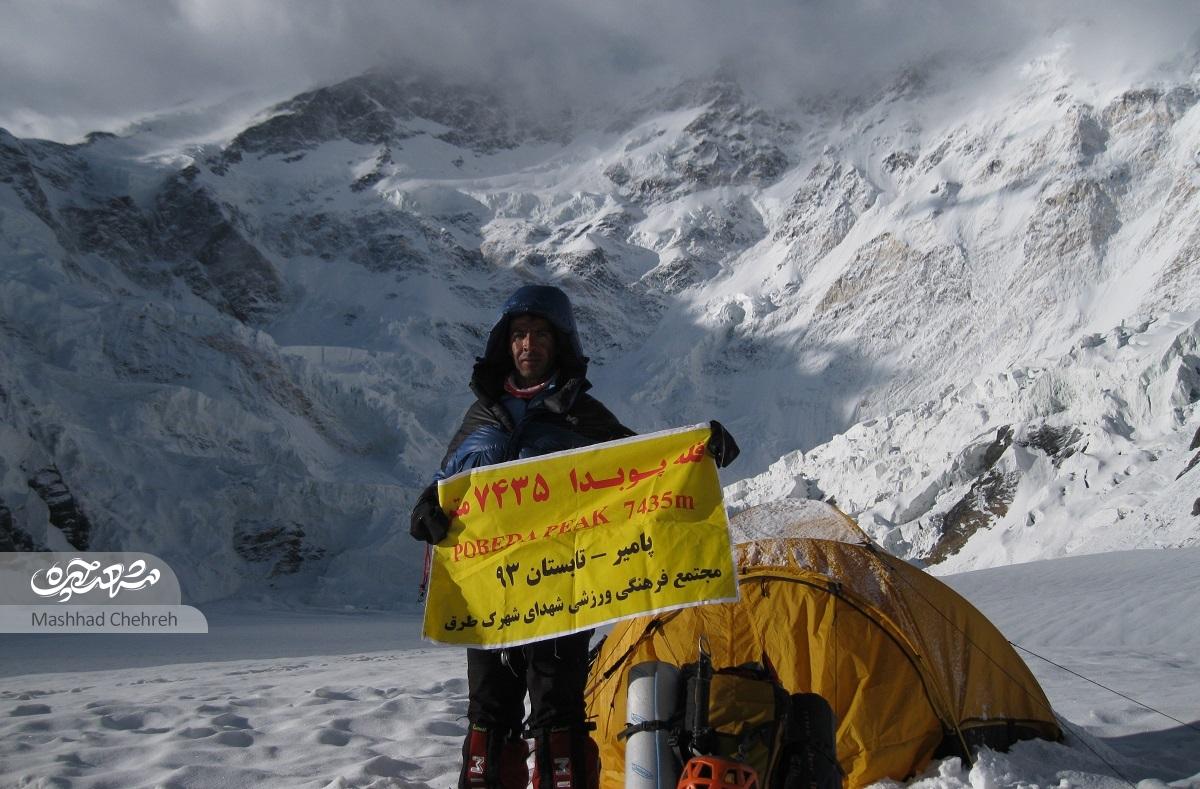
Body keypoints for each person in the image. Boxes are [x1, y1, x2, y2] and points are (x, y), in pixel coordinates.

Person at [410, 284, 739, 789]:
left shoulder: (583, 416)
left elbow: (646, 465)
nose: (528, 345)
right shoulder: (478, 419)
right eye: (519, 334)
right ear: (505, 343)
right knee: (487, 723)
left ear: (559, 343)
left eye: (540, 334)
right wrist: (426, 507)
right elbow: (448, 487)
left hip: (560, 594)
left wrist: (700, 450)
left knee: (558, 719)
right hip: (487, 599)